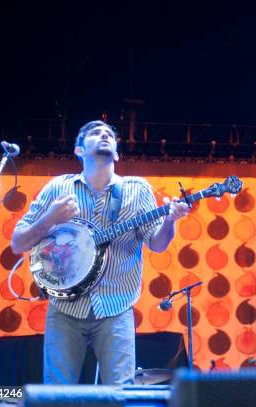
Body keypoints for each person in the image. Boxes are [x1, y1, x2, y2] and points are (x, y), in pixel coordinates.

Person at [11, 120, 189, 384]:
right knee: (58, 395)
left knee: (120, 395)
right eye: (96, 133)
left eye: (109, 134)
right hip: (64, 309)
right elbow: (18, 243)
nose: (105, 135)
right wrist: (49, 218)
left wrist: (171, 221)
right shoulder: (59, 188)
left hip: (116, 307)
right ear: (79, 150)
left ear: (117, 153)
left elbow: (157, 243)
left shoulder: (137, 190)